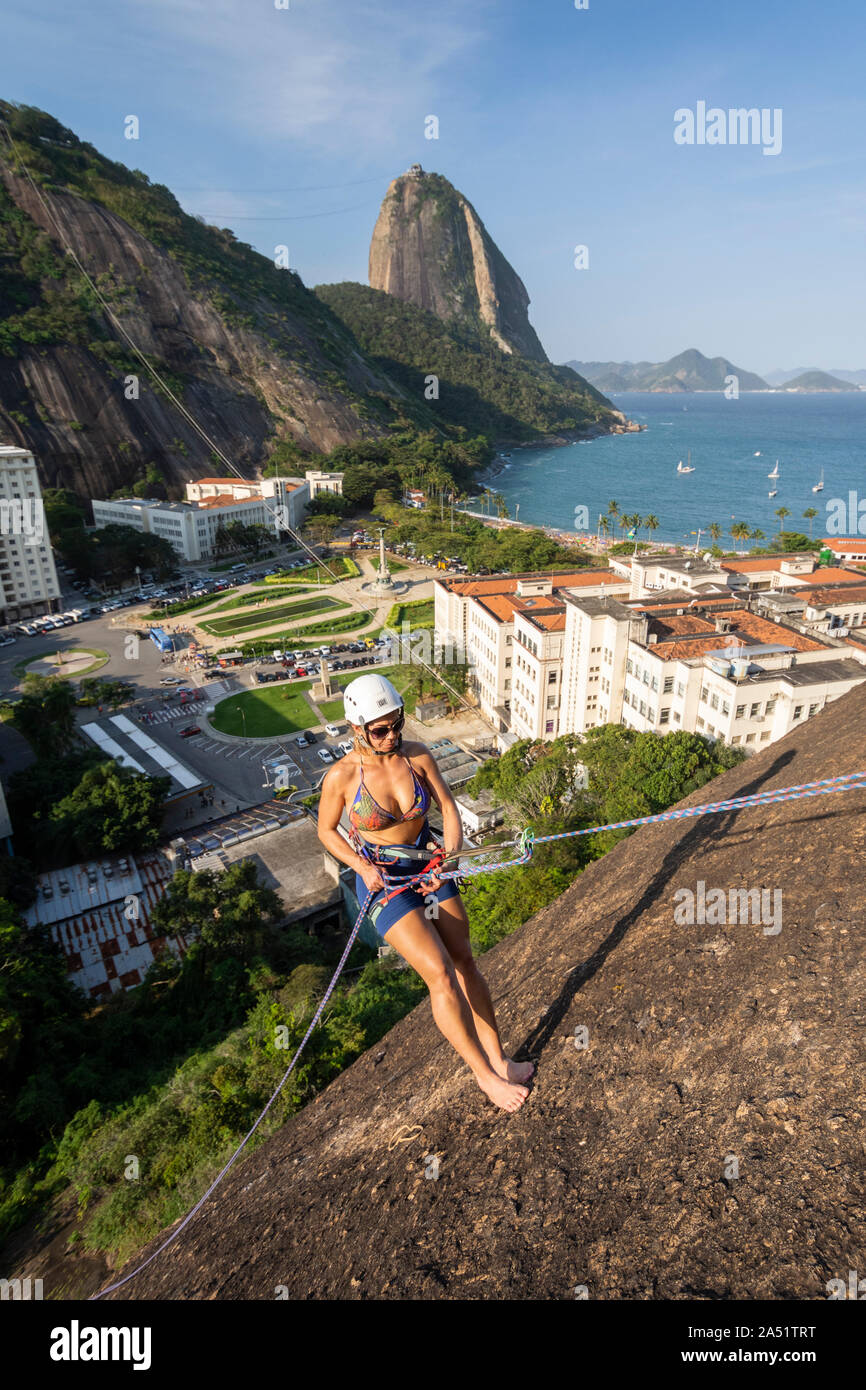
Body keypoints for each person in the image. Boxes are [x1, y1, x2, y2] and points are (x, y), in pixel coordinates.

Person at [317, 673, 533, 1113]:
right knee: (438, 972)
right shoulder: (340, 778)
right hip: (385, 881)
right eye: (381, 729)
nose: (392, 734)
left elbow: (449, 809)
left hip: (427, 865)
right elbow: (327, 831)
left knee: (465, 960)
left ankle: (500, 1059)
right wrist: (360, 865)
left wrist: (449, 859)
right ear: (357, 729)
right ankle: (483, 1076)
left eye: (397, 723)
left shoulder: (417, 757)